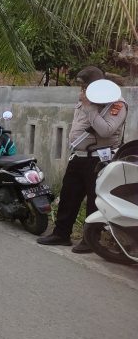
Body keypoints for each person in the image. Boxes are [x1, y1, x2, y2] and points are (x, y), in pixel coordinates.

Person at [37, 66, 128, 252]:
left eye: (85, 87)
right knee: (68, 197)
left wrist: (90, 108)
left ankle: (90, 240)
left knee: (94, 201)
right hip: (78, 157)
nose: (82, 91)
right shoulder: (85, 100)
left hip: (99, 159)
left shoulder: (117, 104)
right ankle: (61, 234)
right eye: (82, 87)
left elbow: (106, 130)